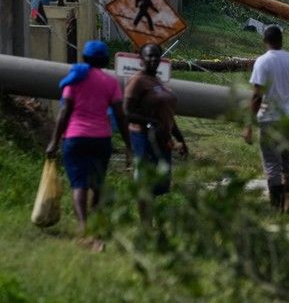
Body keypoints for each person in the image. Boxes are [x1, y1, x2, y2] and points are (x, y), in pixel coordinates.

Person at [46, 40, 132, 236]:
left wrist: (53, 141)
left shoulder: (75, 78)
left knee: (79, 184)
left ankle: (83, 225)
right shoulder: (111, 83)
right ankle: (94, 221)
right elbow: (120, 115)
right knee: (97, 183)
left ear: (84, 58)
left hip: (75, 138)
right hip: (101, 140)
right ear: (105, 61)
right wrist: (129, 144)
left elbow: (65, 111)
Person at [244, 26, 289, 213]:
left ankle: (277, 207)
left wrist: (248, 125)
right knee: (288, 163)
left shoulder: (262, 62)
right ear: (281, 41)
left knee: (272, 164)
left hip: (269, 120)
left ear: (265, 41)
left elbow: (257, 96)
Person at [124, 43, 187, 211]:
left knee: (160, 183)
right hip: (144, 137)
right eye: (149, 56)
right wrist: (150, 122)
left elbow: (167, 116)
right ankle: (146, 225)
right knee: (146, 182)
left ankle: (151, 221)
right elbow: (126, 113)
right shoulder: (137, 81)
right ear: (141, 59)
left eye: (156, 56)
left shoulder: (158, 81)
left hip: (162, 138)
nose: (153, 59)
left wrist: (180, 139)